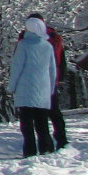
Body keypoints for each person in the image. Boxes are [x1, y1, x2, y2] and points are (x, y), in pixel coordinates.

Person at [8, 15, 59, 157]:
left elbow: (17, 67)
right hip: (43, 90)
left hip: (25, 90)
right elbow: (52, 69)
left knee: (27, 125)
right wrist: (51, 88)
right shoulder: (47, 46)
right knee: (42, 123)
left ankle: (30, 151)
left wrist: (11, 86)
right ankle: (46, 148)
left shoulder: (23, 44)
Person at [29, 12, 69, 150]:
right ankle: (62, 141)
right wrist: (60, 77)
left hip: (35, 81)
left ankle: (45, 145)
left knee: (39, 115)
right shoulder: (55, 37)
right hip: (51, 80)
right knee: (54, 112)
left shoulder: (26, 38)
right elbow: (62, 60)